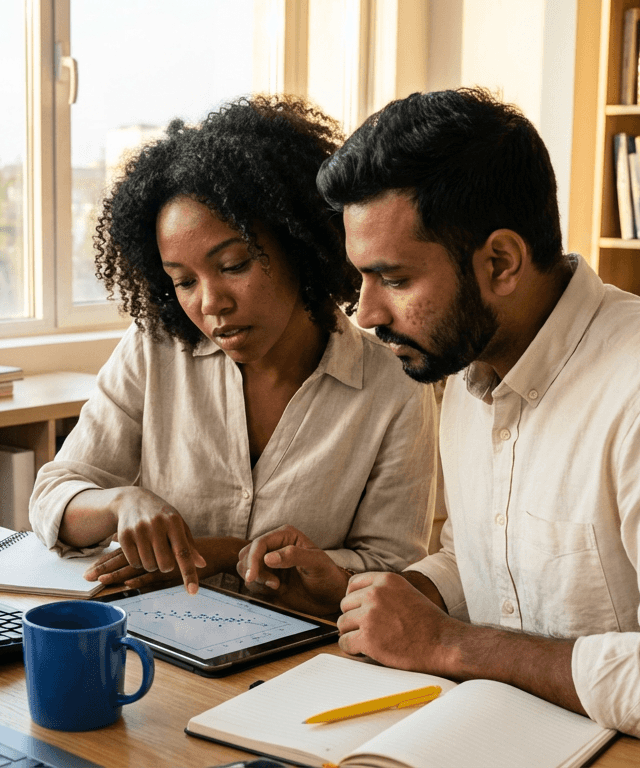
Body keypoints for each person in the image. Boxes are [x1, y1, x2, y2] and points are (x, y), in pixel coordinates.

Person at [306, 88, 640, 766]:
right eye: (361, 279)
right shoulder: (469, 371)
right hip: (531, 741)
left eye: (394, 279)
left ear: (501, 262)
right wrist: (384, 598)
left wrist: (448, 645)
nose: (367, 313)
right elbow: (483, 558)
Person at [28, 96, 438, 615]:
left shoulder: (394, 384)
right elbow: (53, 496)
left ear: (298, 244)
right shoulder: (156, 349)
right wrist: (120, 502)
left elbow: (391, 570)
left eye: (233, 265)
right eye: (183, 281)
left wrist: (223, 555)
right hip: (162, 636)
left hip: (307, 650)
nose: (210, 303)